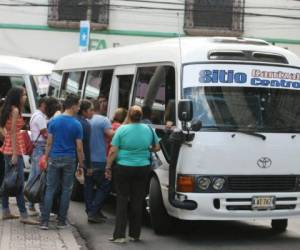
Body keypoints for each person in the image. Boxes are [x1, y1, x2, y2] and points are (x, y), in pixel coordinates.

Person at [105, 105, 160, 243]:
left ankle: (119, 236)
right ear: (141, 117)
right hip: (142, 168)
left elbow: (113, 150)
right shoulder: (148, 129)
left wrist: (108, 166)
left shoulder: (122, 129)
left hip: (123, 167)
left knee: (122, 200)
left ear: (128, 115)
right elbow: (157, 147)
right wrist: (147, 148)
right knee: (137, 200)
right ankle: (135, 234)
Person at [40, 94, 84, 230]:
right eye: (78, 105)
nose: (79, 108)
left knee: (50, 189)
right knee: (66, 190)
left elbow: (49, 143)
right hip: (69, 159)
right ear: (73, 106)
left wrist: (46, 158)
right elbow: (79, 147)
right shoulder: (77, 124)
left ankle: (45, 222)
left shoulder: (54, 121)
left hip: (54, 157)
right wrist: (81, 164)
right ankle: (61, 221)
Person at [0, 87, 39, 224]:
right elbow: (14, 134)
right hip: (13, 150)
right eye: (24, 95)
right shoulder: (15, 110)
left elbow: (4, 127)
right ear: (18, 96)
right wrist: (16, 154)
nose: (25, 97)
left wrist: (7, 137)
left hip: (7, 149)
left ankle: (5, 210)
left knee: (7, 181)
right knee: (19, 184)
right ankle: (23, 215)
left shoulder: (7, 108)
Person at [86, 99, 114, 223]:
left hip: (87, 159)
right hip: (100, 159)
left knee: (88, 186)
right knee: (105, 185)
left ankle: (91, 211)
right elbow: (111, 135)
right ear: (100, 106)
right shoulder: (103, 120)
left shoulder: (85, 120)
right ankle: (93, 211)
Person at [27, 97, 48, 215]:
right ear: (42, 104)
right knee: (38, 176)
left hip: (37, 147)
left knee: (35, 175)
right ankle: (31, 203)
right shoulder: (40, 117)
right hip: (40, 147)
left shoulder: (36, 115)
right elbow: (45, 134)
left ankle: (31, 204)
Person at [75, 100, 94, 216]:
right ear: (84, 111)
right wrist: (88, 165)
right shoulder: (85, 124)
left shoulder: (72, 119)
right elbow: (85, 147)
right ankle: (90, 210)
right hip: (75, 159)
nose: (93, 113)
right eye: (91, 110)